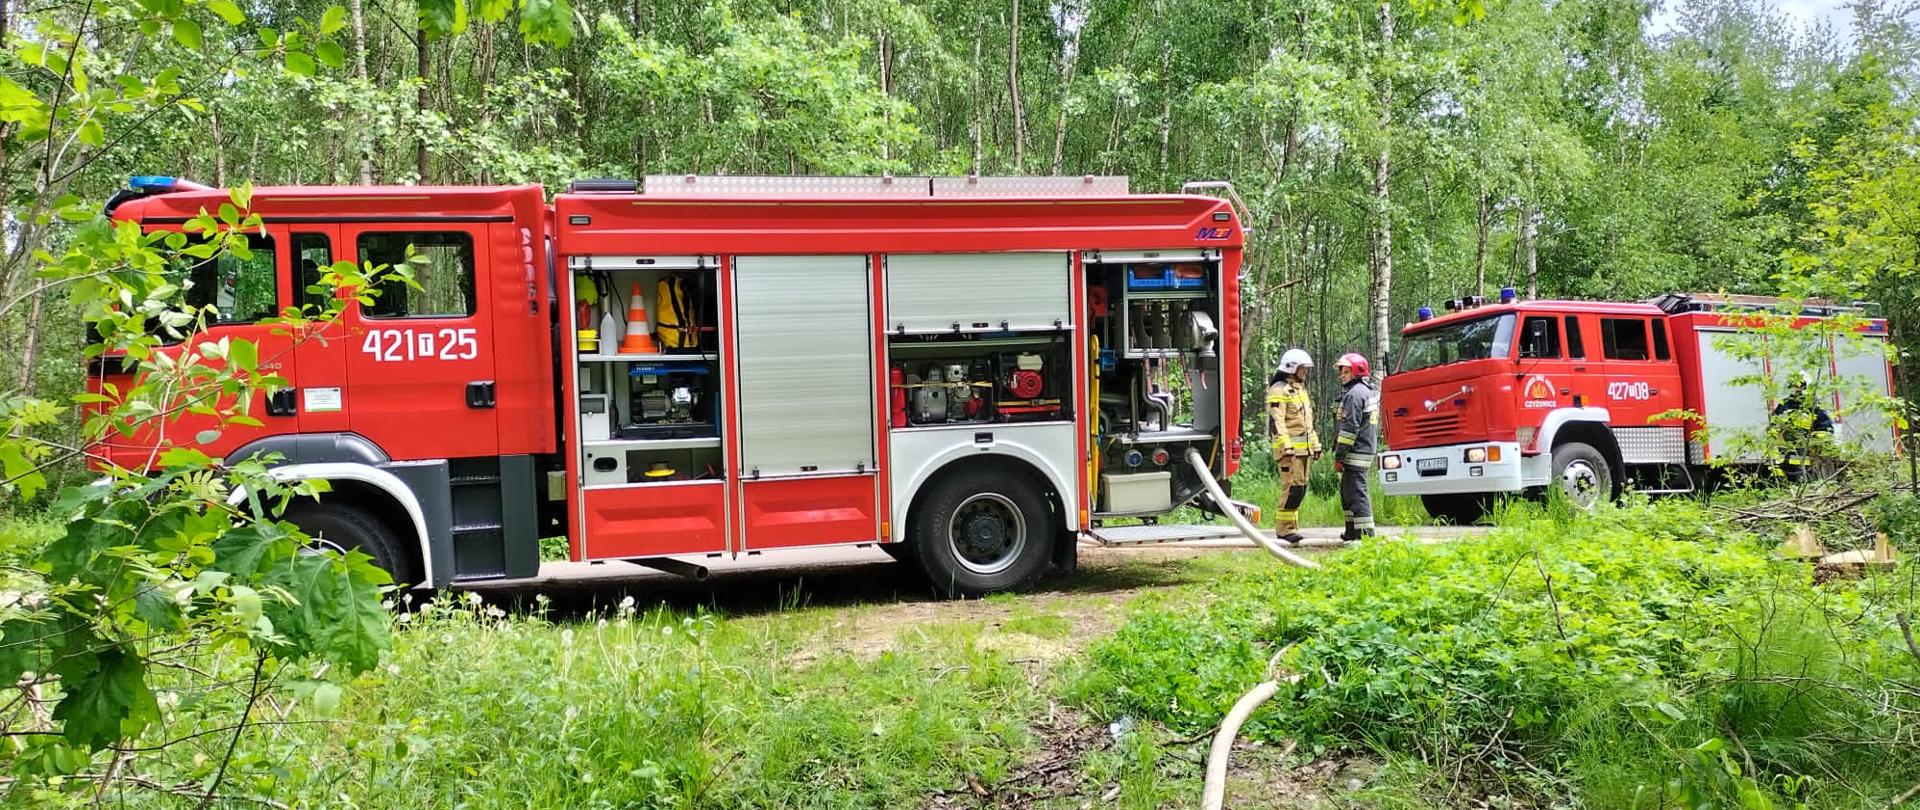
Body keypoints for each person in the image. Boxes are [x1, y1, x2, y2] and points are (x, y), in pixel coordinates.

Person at [1267, 348, 1320, 543]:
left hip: (1304, 451)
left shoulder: (1300, 391)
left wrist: (1315, 444)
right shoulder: (1279, 391)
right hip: (1290, 453)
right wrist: (1286, 448)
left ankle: (1291, 528)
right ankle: (1284, 530)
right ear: (1291, 368)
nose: (1305, 372)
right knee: (1291, 489)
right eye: (1303, 368)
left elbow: (1308, 423)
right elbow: (1277, 422)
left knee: (1300, 489)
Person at [1333, 353, 1378, 542]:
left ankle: (1366, 535)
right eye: (1341, 372)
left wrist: (1339, 455)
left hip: (1356, 452)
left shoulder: (1354, 394)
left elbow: (1350, 429)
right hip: (1362, 450)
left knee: (1357, 493)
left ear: (1357, 371)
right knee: (1348, 492)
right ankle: (1352, 531)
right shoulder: (1363, 391)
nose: (1342, 375)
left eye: (1346, 371)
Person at [1773, 373, 1833, 482]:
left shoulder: (1814, 406)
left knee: (1810, 483)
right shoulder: (1784, 405)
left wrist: (1815, 448)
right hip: (1785, 457)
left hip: (1809, 458)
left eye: (1798, 386)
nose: (1795, 389)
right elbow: (1774, 426)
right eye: (1793, 385)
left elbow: (1825, 430)